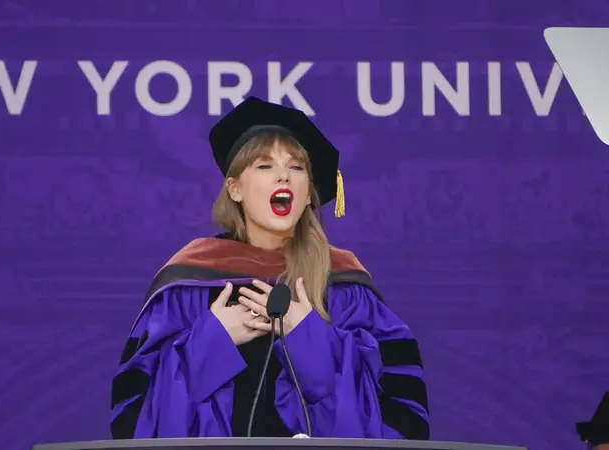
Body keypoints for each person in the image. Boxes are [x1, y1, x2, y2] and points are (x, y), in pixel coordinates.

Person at [110, 97, 430, 439]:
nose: (284, 177)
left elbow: (404, 419)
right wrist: (212, 341)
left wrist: (310, 339)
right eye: (264, 166)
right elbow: (133, 418)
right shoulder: (188, 286)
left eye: (296, 167)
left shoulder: (346, 290)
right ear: (235, 189)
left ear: (308, 194)